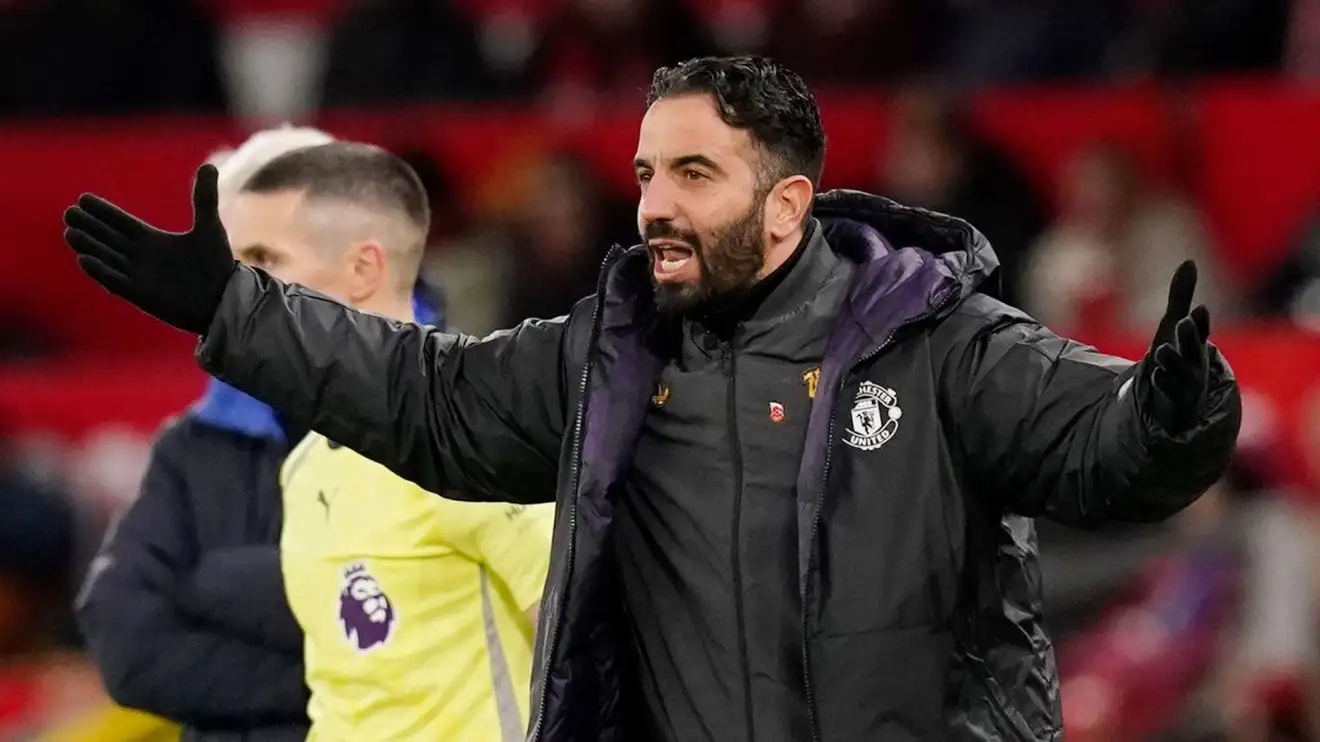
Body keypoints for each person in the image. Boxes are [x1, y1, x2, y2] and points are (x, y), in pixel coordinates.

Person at [63, 55, 1243, 742]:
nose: (653, 206)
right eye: (643, 174)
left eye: (693, 174)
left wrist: (1174, 411)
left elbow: (1103, 448)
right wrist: (237, 311)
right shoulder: (605, 358)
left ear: (786, 207)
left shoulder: (940, 341)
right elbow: (425, 397)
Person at [207, 141, 554, 741]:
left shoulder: (473, 438)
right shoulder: (309, 462)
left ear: (363, 269)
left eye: (264, 260)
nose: (236, 291)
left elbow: (592, 650)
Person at [74, 125, 336, 742]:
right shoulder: (192, 445)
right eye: (226, 260)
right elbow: (127, 645)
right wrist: (323, 681)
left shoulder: (444, 414)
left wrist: (215, 586)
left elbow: (420, 629)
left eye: (262, 256)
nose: (233, 285)